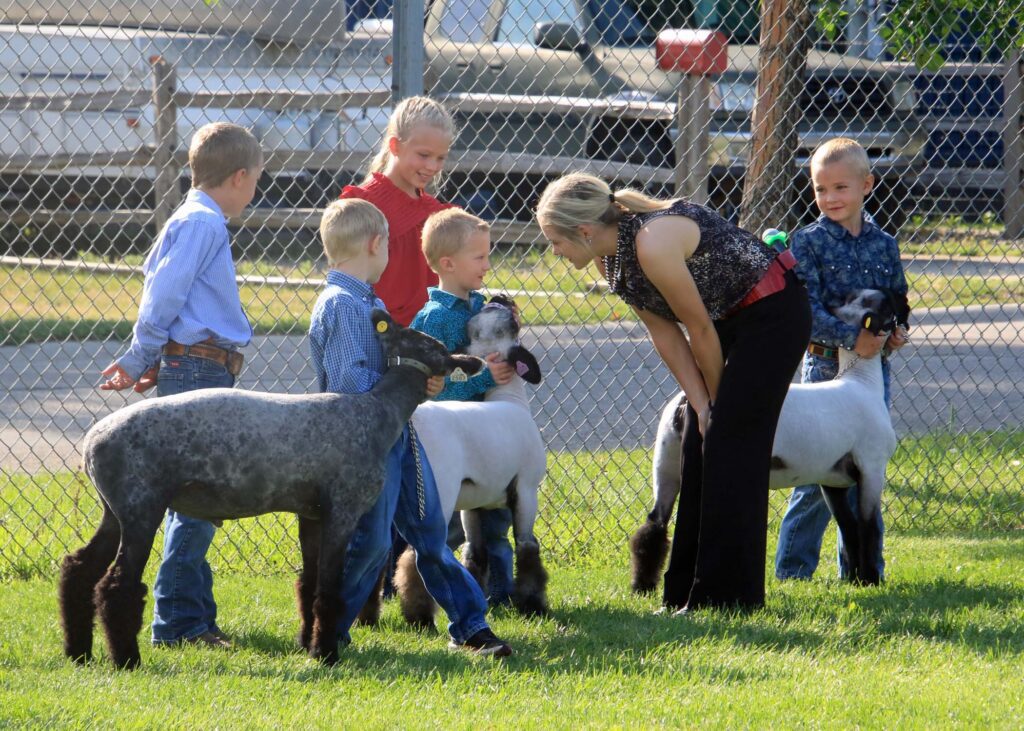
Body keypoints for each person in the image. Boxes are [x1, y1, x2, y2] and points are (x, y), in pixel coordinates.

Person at [536, 173, 811, 612]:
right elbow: (664, 333)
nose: (554, 251)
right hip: (726, 320)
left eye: (555, 241)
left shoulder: (652, 242)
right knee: (696, 442)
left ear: (584, 231)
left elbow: (698, 328)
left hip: (772, 312)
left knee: (729, 444)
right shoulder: (612, 260)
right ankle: (684, 594)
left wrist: (717, 408)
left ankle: (728, 599)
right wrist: (701, 404)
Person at [309, 198, 513, 656]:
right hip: (365, 445)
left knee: (429, 535)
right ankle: (329, 633)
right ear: (375, 244)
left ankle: (471, 627)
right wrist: (405, 382)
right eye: (389, 247)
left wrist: (419, 378)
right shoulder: (341, 305)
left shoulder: (368, 301)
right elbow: (349, 383)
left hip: (396, 434)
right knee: (372, 542)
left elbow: (386, 368)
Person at [99, 121, 262, 647]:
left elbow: (170, 292)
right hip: (199, 370)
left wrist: (160, 355)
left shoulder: (192, 219)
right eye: (256, 181)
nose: (254, 191)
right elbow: (163, 295)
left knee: (194, 497)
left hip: (193, 364)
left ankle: (196, 614)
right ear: (239, 177)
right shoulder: (203, 224)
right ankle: (177, 622)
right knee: (198, 498)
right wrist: (142, 354)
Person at [774, 138, 910, 582]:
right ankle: (793, 571)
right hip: (825, 371)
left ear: (866, 185)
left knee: (866, 470)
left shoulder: (884, 244)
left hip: (872, 376)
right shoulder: (807, 243)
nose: (830, 198)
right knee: (815, 477)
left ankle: (864, 572)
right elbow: (805, 312)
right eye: (820, 189)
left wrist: (896, 333)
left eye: (840, 187)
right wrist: (854, 338)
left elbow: (897, 299)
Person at [410, 208, 517, 606]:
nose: (487, 265)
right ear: (447, 264)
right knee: (447, 525)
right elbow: (435, 390)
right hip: (447, 440)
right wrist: (486, 378)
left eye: (488, 255)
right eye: (479, 257)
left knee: (496, 513)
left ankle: (501, 593)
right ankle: (427, 594)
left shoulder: (479, 308)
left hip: (482, 435)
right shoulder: (436, 320)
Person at [338, 95, 456, 326]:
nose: (432, 166)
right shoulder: (361, 206)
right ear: (395, 146)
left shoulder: (439, 217)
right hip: (371, 336)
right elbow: (345, 288)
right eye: (424, 155)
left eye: (440, 157)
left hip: (428, 340)